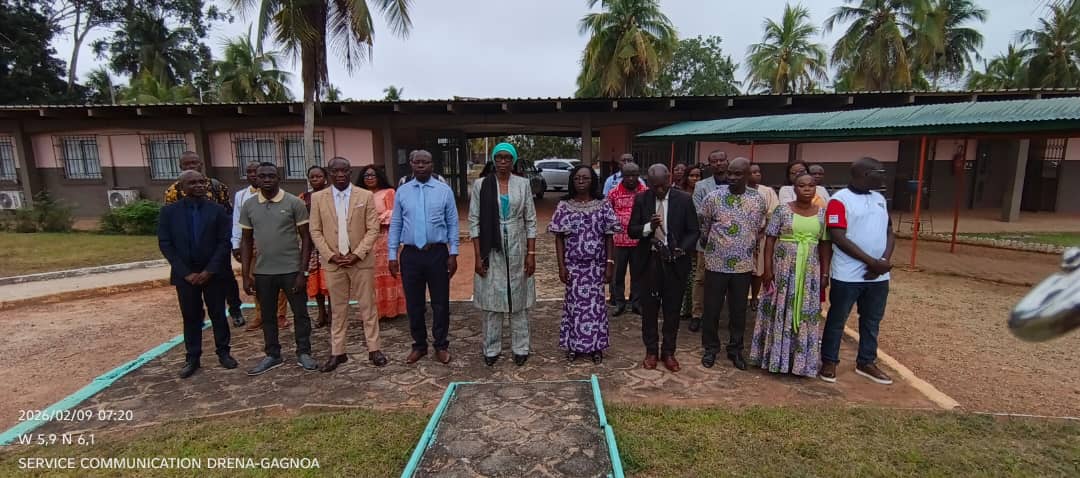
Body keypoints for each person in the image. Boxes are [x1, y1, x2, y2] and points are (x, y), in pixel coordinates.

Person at [820, 157, 896, 385]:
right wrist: (871, 262)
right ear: (864, 174)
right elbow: (838, 237)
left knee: (872, 320)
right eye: (879, 172)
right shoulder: (839, 200)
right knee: (837, 319)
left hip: (878, 276)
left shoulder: (879, 199)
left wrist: (883, 261)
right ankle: (829, 361)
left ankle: (866, 361)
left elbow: (890, 231)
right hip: (848, 275)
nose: (883, 176)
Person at [239, 162, 319, 376]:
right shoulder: (249, 205)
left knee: (300, 314)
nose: (266, 179)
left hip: (292, 270)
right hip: (263, 272)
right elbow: (246, 241)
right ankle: (273, 354)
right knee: (268, 315)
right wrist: (246, 274)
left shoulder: (294, 203)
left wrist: (303, 271)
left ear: (279, 177)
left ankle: (304, 352)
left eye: (271, 176)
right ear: (256, 178)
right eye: (262, 176)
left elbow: (306, 238)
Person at [749, 173, 831, 377]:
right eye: (801, 185)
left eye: (811, 186)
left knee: (805, 312)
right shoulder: (782, 210)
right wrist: (768, 270)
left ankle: (800, 362)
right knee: (779, 310)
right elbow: (770, 240)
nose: (806, 189)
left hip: (809, 272)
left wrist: (825, 273)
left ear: (816, 189)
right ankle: (775, 358)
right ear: (794, 189)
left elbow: (825, 244)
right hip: (784, 270)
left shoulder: (822, 214)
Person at [158, 171, 237, 379]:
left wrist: (209, 270)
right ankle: (192, 358)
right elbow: (165, 244)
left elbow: (224, 242)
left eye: (202, 182)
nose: (199, 186)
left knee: (218, 314)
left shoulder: (218, 211)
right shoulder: (169, 213)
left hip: (212, 274)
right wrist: (186, 273)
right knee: (191, 316)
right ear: (182, 187)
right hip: (185, 275)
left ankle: (224, 353)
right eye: (193, 183)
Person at [309, 157, 383, 372]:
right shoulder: (318, 198)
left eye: (344, 171)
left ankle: (374, 349)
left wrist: (357, 254)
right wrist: (330, 255)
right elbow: (315, 230)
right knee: (338, 309)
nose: (340, 175)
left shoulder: (365, 195)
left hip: (360, 261)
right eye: (335, 171)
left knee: (367, 306)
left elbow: (373, 228)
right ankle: (337, 352)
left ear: (351, 172)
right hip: (334, 262)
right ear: (329, 173)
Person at [470, 142, 538, 367]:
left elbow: (530, 220)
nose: (502, 162)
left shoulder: (523, 184)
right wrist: (479, 256)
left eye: (507, 158)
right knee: (492, 299)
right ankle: (491, 348)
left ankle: (521, 347)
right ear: (493, 159)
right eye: (498, 157)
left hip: (517, 244)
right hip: (491, 246)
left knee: (518, 298)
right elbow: (474, 221)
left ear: (513, 161)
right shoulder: (481, 185)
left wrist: (531, 253)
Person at [389, 150, 459, 365]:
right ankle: (419, 345)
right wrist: (392, 254)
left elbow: (453, 223)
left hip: (437, 253)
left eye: (425, 162)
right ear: (411, 164)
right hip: (410, 255)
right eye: (417, 162)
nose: (421, 166)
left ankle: (441, 345)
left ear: (432, 164)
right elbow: (396, 224)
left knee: (440, 303)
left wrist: (453, 252)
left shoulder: (444, 190)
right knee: (414, 304)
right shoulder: (402, 192)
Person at [628, 164, 699, 372]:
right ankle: (651, 351)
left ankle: (668, 352)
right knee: (649, 309)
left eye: (662, 185)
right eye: (654, 186)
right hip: (649, 261)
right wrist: (649, 227)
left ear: (669, 180)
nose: (659, 190)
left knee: (672, 310)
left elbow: (693, 231)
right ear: (648, 183)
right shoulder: (642, 199)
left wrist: (680, 250)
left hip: (675, 262)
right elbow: (631, 231)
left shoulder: (684, 199)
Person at [699, 157, 767, 371]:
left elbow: (759, 228)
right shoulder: (713, 198)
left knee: (738, 310)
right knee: (712, 309)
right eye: (730, 173)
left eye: (738, 174)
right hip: (715, 263)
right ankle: (710, 348)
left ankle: (735, 349)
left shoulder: (758, 199)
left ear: (747, 175)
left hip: (743, 266)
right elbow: (705, 227)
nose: (732, 177)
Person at [549, 165, 620, 365]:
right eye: (577, 178)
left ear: (593, 181)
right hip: (573, 267)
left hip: (596, 266)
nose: (581, 181)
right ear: (572, 181)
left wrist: (609, 264)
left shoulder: (603, 204)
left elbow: (609, 236)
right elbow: (559, 238)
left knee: (596, 308)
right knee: (574, 307)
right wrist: (561, 266)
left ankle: (596, 347)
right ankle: (573, 346)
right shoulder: (564, 206)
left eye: (585, 178)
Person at [164, 151, 244, 328]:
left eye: (195, 163)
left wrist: (230, 242)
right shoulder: (172, 192)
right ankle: (198, 317)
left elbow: (228, 213)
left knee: (227, 280)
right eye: (187, 164)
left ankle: (235, 309)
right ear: (181, 167)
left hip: (216, 249)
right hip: (188, 253)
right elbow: (169, 227)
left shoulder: (216, 186)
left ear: (201, 165)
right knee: (191, 299)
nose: (191, 167)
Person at [233, 162, 289, 332]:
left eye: (254, 171)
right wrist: (236, 244)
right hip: (252, 246)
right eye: (249, 172)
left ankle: (280, 315)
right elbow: (237, 221)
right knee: (255, 281)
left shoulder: (282, 196)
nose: (252, 175)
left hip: (275, 246)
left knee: (280, 283)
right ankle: (260, 315)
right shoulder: (241, 196)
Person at [358, 165, 408, 320]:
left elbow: (394, 214)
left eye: (373, 175)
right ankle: (375, 311)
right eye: (366, 175)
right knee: (370, 276)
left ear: (379, 176)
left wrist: (375, 219)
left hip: (385, 239)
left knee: (389, 273)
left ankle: (394, 309)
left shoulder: (389, 192)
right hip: (365, 240)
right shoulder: (359, 195)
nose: (370, 178)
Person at [689, 150, 729, 332]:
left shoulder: (735, 183)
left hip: (731, 243)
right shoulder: (701, 186)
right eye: (715, 161)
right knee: (701, 278)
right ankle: (697, 314)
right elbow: (699, 212)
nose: (719, 163)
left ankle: (717, 314)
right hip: (707, 239)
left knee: (725, 280)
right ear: (709, 164)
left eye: (722, 160)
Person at [607, 162, 647, 317]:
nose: (631, 178)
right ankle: (619, 303)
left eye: (635, 175)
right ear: (622, 175)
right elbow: (608, 216)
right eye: (628, 175)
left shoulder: (645, 192)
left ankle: (636, 303)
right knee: (618, 274)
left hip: (639, 241)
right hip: (618, 241)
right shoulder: (613, 193)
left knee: (638, 273)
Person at [298, 166, 332, 328]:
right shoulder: (303, 198)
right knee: (315, 280)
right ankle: (321, 312)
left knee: (330, 279)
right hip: (310, 245)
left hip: (329, 244)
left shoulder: (332, 195)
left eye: (319, 176)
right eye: (312, 177)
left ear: (325, 178)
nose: (315, 179)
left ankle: (333, 312)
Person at [749, 163, 781, 312]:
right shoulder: (740, 191)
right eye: (752, 172)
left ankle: (755, 297)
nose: (757, 174)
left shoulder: (767, 191)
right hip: (742, 238)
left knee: (759, 270)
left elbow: (773, 213)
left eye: (758, 171)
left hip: (762, 236)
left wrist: (762, 233)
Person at [679, 165, 704, 323]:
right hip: (684, 238)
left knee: (697, 275)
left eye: (698, 176)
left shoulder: (704, 192)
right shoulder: (680, 194)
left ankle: (696, 309)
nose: (695, 179)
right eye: (692, 175)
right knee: (685, 274)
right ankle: (684, 308)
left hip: (700, 239)